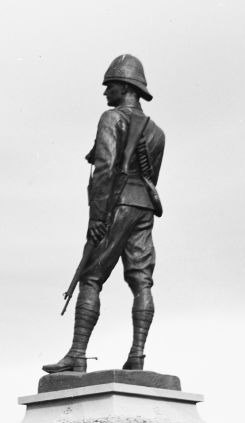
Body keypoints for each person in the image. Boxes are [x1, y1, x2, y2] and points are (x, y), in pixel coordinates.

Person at [43, 54, 165, 374]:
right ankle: (137, 355)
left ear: (124, 87)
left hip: (117, 206)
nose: (105, 93)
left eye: (109, 85)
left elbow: (106, 168)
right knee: (142, 282)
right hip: (144, 208)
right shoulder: (158, 132)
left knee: (91, 277)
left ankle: (77, 353)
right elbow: (151, 178)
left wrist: (97, 217)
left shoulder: (112, 118)